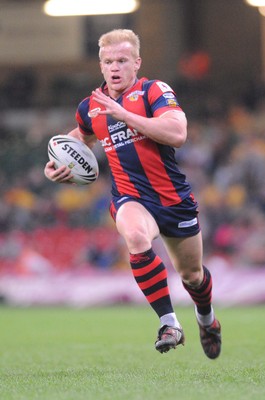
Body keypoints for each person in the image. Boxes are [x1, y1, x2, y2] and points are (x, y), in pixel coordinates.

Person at [44, 29, 221, 358]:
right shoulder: (90, 108)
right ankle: (169, 323)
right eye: (108, 61)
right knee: (136, 238)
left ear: (136, 63)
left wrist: (126, 116)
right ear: (100, 66)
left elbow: (177, 132)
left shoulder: (154, 91)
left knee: (192, 276)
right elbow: (81, 137)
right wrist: (55, 163)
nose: (115, 67)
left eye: (122, 60)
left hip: (173, 199)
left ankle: (206, 319)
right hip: (130, 197)